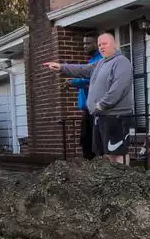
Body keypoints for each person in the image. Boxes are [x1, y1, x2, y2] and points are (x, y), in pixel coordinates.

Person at [45, 32, 134, 164]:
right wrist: (61, 67)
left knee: (118, 153)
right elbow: (82, 69)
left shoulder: (121, 62)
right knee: (108, 153)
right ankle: (115, 181)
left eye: (105, 44)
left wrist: (102, 104)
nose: (101, 47)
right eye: (99, 45)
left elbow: (119, 88)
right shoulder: (100, 63)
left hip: (116, 117)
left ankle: (124, 179)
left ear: (114, 44)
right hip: (103, 116)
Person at [68, 35, 103, 160]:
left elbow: (90, 78)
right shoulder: (92, 60)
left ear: (96, 43)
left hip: (95, 109)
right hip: (88, 109)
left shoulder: (100, 60)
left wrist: (74, 82)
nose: (85, 46)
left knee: (92, 141)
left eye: (88, 43)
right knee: (85, 140)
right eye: (83, 44)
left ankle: (95, 168)